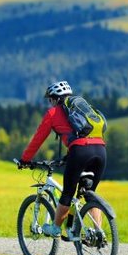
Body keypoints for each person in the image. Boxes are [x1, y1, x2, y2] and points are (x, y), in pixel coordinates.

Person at [19, 80, 107, 239]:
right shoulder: (82, 109)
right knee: (89, 192)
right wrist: (69, 155)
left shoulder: (53, 113)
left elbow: (38, 139)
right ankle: (97, 232)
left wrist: (25, 159)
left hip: (80, 151)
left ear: (54, 99)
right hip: (101, 150)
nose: (50, 103)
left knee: (68, 192)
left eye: (50, 100)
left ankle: (56, 229)